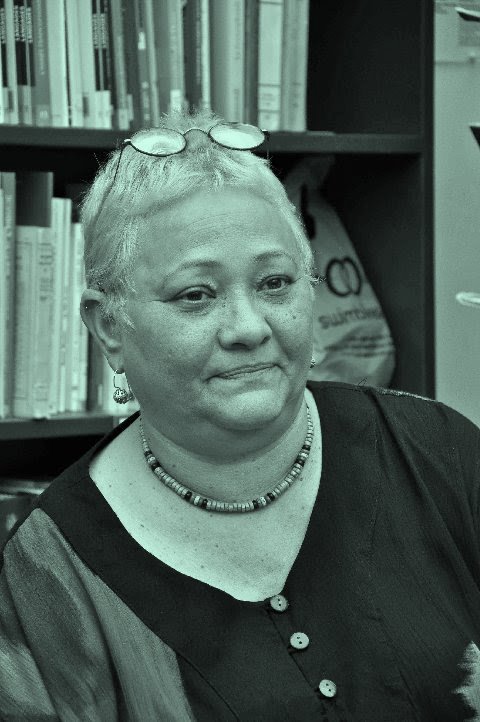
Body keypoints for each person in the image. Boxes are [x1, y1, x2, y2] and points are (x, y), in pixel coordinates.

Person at [1, 108, 480, 722]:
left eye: (275, 283)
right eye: (196, 295)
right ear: (109, 328)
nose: (249, 328)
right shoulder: (48, 574)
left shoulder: (440, 456)